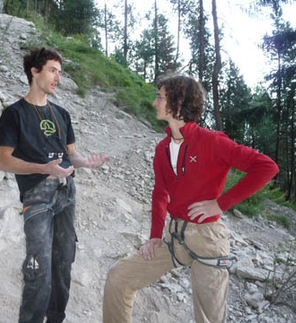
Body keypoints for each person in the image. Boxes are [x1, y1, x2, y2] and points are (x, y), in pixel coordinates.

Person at [103, 74, 279, 323]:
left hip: (208, 239)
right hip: (174, 237)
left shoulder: (213, 141)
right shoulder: (162, 148)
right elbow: (160, 193)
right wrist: (154, 236)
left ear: (178, 101)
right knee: (119, 277)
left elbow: (266, 167)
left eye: (160, 97)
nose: (155, 103)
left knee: (209, 319)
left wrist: (220, 204)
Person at [0, 47, 109, 323]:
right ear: (34, 72)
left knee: (63, 263)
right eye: (52, 70)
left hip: (66, 194)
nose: (58, 77)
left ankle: (56, 318)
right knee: (39, 268)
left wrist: (84, 162)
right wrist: (42, 168)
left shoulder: (62, 114)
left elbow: (71, 154)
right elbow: (3, 161)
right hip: (37, 198)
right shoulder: (14, 114)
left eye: (59, 71)